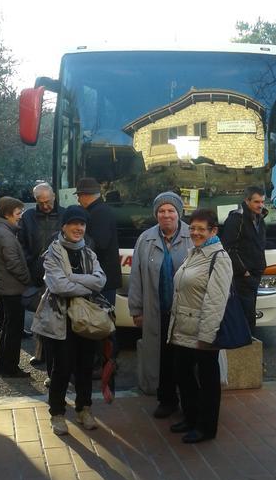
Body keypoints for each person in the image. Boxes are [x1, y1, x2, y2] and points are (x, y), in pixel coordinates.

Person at [32, 205, 106, 435]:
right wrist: (85, 283)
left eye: (82, 224)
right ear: (63, 226)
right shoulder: (52, 252)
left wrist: (72, 278)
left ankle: (84, 409)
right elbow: (57, 286)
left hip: (85, 320)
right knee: (61, 369)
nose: (78, 228)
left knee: (85, 368)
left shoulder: (89, 252)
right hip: (59, 320)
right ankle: (58, 414)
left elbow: (100, 281)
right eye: (74, 223)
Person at [168, 209, 232, 443]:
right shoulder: (195, 253)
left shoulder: (219, 257)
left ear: (213, 231)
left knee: (207, 381)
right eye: (192, 228)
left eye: (201, 229)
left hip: (203, 332)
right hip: (184, 328)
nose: (195, 232)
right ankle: (190, 417)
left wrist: (207, 336)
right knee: (183, 375)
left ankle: (206, 427)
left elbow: (216, 301)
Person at [128, 191, 192, 416]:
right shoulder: (145, 239)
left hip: (186, 312)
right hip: (158, 311)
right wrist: (136, 309)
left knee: (185, 358)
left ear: (179, 213)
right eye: (162, 211)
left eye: (171, 211)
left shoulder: (193, 236)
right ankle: (167, 400)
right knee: (162, 357)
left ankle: (189, 401)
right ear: (156, 215)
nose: (166, 215)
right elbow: (136, 277)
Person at [18, 182, 65, 368]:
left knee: (57, 315)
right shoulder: (28, 216)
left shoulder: (64, 214)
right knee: (39, 315)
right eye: (41, 202)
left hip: (59, 273)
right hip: (37, 272)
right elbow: (21, 243)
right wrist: (31, 262)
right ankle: (40, 353)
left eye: (48, 201)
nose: (45, 206)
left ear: (54, 196)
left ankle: (56, 357)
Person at [0, 196, 33, 378]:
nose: (20, 216)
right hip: (12, 289)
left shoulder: (0, 231)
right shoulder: (5, 235)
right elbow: (13, 264)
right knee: (13, 331)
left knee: (9, 329)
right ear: (7, 214)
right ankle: (10, 368)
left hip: (6, 288)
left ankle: (4, 367)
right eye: (18, 213)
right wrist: (27, 279)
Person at [221, 185, 267, 331]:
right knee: (245, 316)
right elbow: (228, 248)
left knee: (249, 313)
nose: (260, 205)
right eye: (256, 202)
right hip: (242, 277)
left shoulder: (260, 218)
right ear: (247, 201)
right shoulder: (236, 219)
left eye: (262, 202)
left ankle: (247, 345)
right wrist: (244, 272)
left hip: (254, 274)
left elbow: (258, 244)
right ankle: (244, 348)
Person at [75, 177, 122, 305]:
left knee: (100, 321)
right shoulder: (98, 210)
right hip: (100, 278)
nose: (78, 200)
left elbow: (100, 243)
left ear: (86, 195)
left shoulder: (99, 212)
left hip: (102, 279)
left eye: (79, 196)